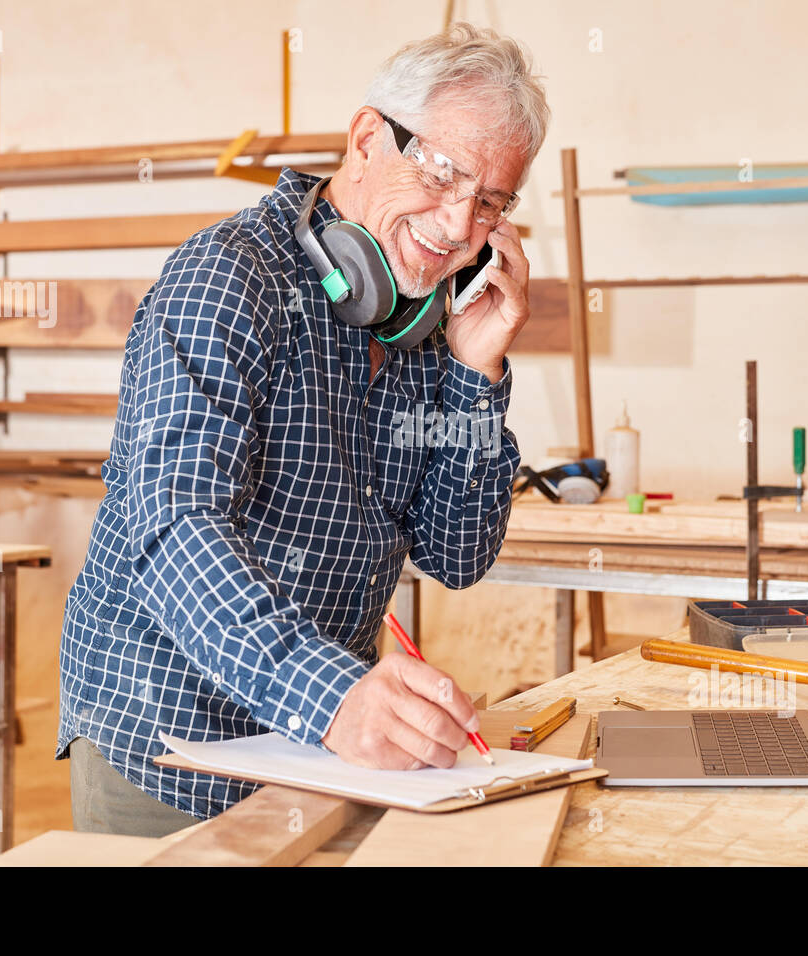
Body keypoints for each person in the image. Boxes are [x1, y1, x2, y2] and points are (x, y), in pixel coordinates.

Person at [58, 23, 551, 836]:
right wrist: (332, 698)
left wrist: (476, 375)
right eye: (443, 173)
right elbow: (174, 527)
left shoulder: (425, 322)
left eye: (490, 200)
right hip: (168, 742)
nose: (460, 225)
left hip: (310, 747)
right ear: (367, 139)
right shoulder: (226, 279)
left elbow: (457, 556)